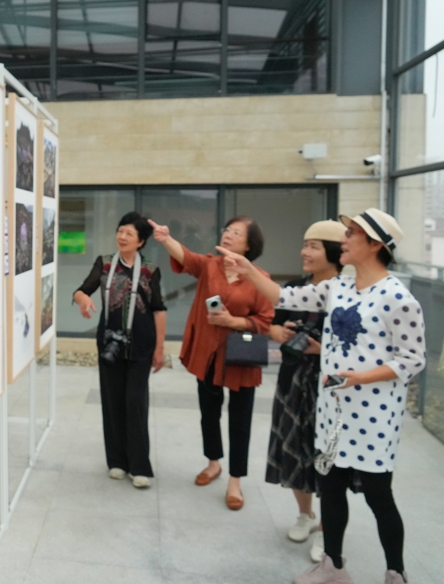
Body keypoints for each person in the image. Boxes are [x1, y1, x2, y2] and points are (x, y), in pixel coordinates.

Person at [217, 208, 426, 584]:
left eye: (352, 234)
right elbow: (285, 295)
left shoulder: (399, 298)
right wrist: (247, 270)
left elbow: (412, 359)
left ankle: (396, 572)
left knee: (378, 496)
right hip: (332, 409)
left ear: (375, 244)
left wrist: (361, 377)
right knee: (330, 489)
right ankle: (333, 566)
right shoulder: (338, 287)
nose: (344, 240)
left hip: (374, 416)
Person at [148, 216, 274, 510]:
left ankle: (235, 481)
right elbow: (186, 257)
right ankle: (213, 462)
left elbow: (265, 321)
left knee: (240, 421)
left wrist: (234, 321)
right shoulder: (210, 265)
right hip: (208, 353)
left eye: (236, 232)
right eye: (227, 230)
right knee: (209, 413)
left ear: (249, 244)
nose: (228, 234)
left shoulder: (259, 278)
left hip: (241, 358)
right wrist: (166, 239)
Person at [267, 220, 346, 563]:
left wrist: (322, 350)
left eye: (314, 246)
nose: (304, 252)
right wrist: (280, 333)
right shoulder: (295, 288)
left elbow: (358, 346)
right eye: (305, 245)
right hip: (292, 378)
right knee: (293, 449)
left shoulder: (348, 293)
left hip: (330, 387)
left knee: (328, 458)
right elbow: (272, 324)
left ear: (334, 252)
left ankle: (328, 528)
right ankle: (305, 514)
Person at [73, 212, 167, 489]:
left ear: (140, 241)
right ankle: (116, 461)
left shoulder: (150, 270)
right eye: (120, 231)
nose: (122, 237)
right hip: (110, 345)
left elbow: (159, 309)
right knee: (112, 402)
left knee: (135, 403)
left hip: (141, 345)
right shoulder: (104, 264)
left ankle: (139, 466)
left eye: (129, 233)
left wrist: (160, 348)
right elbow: (81, 290)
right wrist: (83, 301)